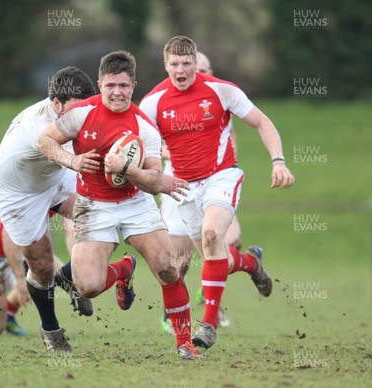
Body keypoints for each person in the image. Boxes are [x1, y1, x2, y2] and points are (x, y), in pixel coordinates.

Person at [37, 51, 202, 359]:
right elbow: (45, 141)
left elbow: (154, 180)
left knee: (168, 268)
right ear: (100, 84)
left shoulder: (143, 126)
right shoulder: (81, 114)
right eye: (111, 85)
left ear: (133, 86)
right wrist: (71, 160)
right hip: (92, 204)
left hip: (135, 202)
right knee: (86, 286)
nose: (117, 92)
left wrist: (126, 169)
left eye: (124, 86)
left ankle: (184, 342)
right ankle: (124, 269)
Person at [140, 36, 294, 351]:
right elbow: (141, 146)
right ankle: (251, 263)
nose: (180, 70)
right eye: (174, 64)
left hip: (221, 176)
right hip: (182, 187)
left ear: (196, 63)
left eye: (186, 63)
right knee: (214, 256)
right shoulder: (153, 102)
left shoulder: (221, 90)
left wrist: (278, 161)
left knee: (212, 236)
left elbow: (262, 122)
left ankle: (208, 324)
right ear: (165, 64)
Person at [0, 67, 97, 353]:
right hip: (18, 193)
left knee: (99, 218)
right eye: (75, 109)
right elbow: (54, 149)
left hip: (55, 175)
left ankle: (70, 275)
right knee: (43, 267)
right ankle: (51, 330)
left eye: (86, 108)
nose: (81, 116)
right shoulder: (39, 127)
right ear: (56, 104)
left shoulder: (76, 113)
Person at [157, 51, 238, 333]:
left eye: (202, 69)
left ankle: (211, 304)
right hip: (178, 184)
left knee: (224, 238)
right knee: (179, 259)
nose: (193, 74)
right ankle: (173, 313)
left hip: (217, 180)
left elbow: (231, 144)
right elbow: (149, 142)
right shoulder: (163, 101)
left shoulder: (219, 99)